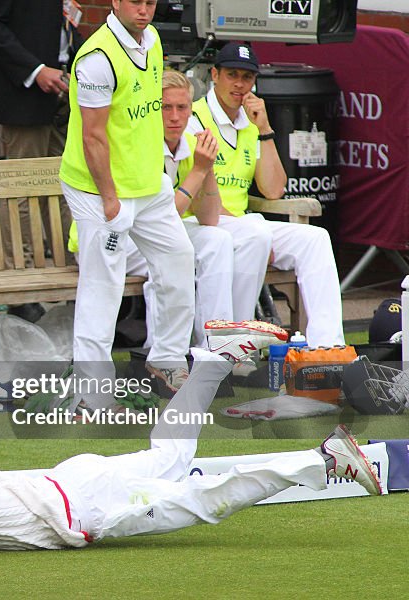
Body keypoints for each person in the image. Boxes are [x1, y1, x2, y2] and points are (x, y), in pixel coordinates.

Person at [0, 320, 381, 553]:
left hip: (87, 508)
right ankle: (214, 360)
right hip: (73, 480)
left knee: (204, 497)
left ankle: (318, 458)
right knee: (172, 452)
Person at [60, 0, 195, 402]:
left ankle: (167, 361)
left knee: (178, 257)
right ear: (116, 1)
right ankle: (92, 392)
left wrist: (155, 175)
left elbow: (141, 117)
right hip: (98, 189)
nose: (144, 9)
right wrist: (110, 200)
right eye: (134, 1)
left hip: (147, 184)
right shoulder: (97, 58)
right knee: (102, 285)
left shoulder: (152, 39)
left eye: (150, 1)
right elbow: (93, 136)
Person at [189, 42, 344, 347]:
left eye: (247, 77)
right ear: (214, 75)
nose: (239, 84)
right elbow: (195, 197)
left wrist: (265, 128)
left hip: (243, 225)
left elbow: (274, 189)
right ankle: (229, 343)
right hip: (200, 223)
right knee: (255, 234)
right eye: (232, 75)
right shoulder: (194, 118)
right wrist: (253, 228)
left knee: (315, 239)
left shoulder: (250, 122)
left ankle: (326, 346)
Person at [115, 69, 273, 348]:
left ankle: (222, 346)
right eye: (166, 107)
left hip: (156, 235)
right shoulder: (140, 144)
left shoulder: (188, 143)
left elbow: (210, 218)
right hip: (118, 238)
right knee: (177, 252)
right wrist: (199, 170)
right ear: (153, 109)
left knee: (219, 239)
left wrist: (207, 166)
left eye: (182, 107)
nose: (175, 116)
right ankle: (171, 353)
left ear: (190, 110)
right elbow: (163, 218)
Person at [0, 0, 82, 287]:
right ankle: (21, 279)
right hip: (23, 94)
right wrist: (35, 70)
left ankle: (68, 271)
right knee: (22, 188)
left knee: (63, 187)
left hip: (63, 92)